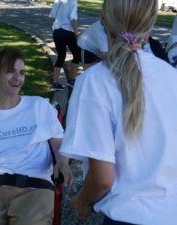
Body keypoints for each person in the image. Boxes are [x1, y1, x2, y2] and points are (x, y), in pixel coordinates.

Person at [59, 0, 177, 224]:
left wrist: (81, 201)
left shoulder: (94, 81)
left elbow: (103, 178)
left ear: (103, 17)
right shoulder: (171, 76)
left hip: (128, 217)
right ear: (150, 23)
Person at [0, 46, 73, 225]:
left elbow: (58, 141)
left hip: (35, 188)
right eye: (10, 72)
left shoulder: (39, 107)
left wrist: (62, 162)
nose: (17, 78)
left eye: (21, 72)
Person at [49, 0, 81, 90]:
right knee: (77, 55)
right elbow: (73, 18)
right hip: (68, 32)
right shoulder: (73, 1)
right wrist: (76, 33)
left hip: (57, 31)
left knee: (61, 56)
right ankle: (71, 81)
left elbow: (54, 14)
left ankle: (55, 84)